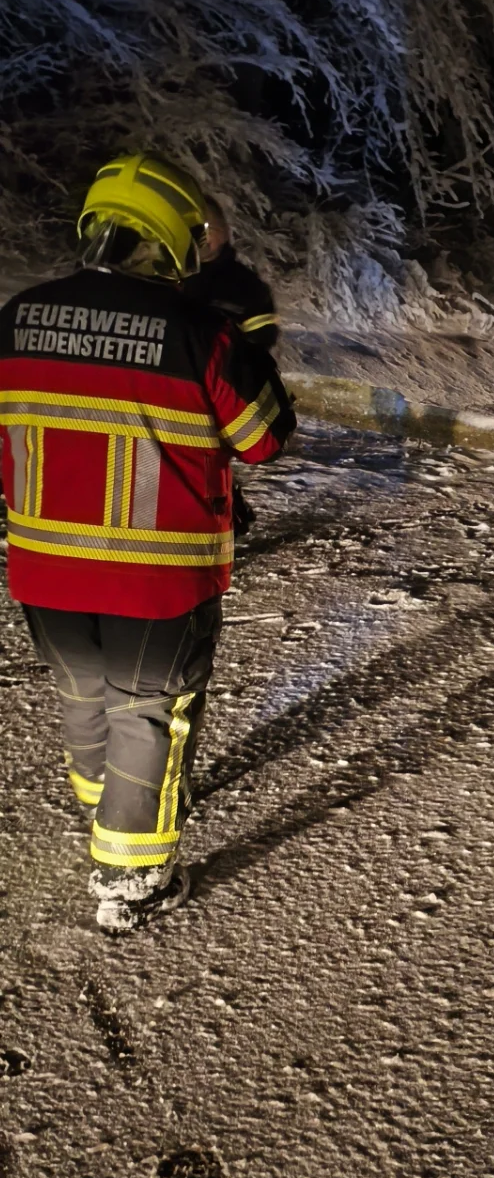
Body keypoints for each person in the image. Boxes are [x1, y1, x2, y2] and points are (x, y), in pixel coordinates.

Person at [0, 154, 295, 933]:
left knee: (81, 695)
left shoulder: (18, 317)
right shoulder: (198, 334)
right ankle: (130, 878)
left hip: (43, 568)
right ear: (172, 239)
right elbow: (264, 440)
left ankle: (106, 810)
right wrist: (244, 347)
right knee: (148, 713)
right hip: (156, 578)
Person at [184, 198, 281, 536]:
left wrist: (237, 362)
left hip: (221, 383)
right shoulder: (172, 277)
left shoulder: (243, 284)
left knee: (213, 454)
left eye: (213, 232)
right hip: (180, 381)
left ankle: (226, 510)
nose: (211, 239)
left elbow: (262, 336)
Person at [184, 198, 280, 351]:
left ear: (223, 234)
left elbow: (260, 345)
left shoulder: (248, 288)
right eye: (194, 230)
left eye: (208, 229)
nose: (201, 238)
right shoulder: (164, 275)